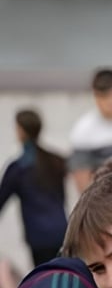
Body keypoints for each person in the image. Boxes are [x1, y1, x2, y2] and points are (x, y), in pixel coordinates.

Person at [0, 109, 68, 266]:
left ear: (20, 131)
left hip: (38, 237)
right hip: (62, 230)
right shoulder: (56, 160)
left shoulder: (18, 168)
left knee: (43, 280)